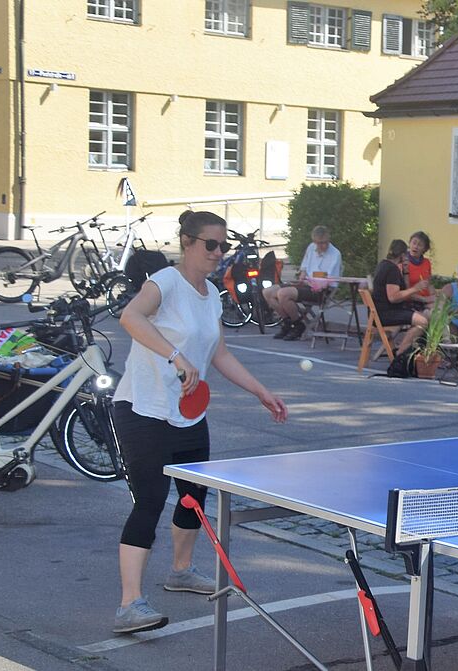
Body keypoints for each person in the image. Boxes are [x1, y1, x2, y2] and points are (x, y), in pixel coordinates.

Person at [112, 210, 288, 634]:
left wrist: (260, 391)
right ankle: (129, 604)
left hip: (188, 413)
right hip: (144, 410)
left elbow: (219, 353)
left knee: (194, 496)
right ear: (188, 242)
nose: (219, 253)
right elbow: (130, 318)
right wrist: (175, 355)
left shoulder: (211, 293)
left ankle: (181, 570)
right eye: (211, 245)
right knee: (151, 501)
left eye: (224, 246)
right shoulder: (166, 283)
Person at [265, 225, 342, 341]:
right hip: (307, 284)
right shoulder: (311, 248)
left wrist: (313, 277)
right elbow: (304, 269)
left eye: (325, 242)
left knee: (283, 294)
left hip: (321, 289)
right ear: (314, 242)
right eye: (319, 243)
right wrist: (300, 279)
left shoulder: (335, 254)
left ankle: (297, 324)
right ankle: (288, 322)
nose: (323, 246)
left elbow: (329, 277)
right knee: (268, 292)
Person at [370, 239, 430, 347]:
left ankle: (408, 349)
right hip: (386, 313)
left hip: (379, 312)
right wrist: (416, 288)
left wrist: (406, 271)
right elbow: (393, 297)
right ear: (402, 255)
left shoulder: (383, 265)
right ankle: (401, 352)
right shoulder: (392, 269)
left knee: (421, 316)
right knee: (423, 321)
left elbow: (404, 290)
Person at [404, 231, 435, 308]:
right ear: (409, 243)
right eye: (414, 243)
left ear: (424, 249)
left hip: (426, 300)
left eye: (420, 245)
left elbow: (429, 284)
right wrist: (425, 299)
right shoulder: (404, 263)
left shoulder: (426, 262)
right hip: (412, 301)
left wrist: (434, 296)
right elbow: (404, 291)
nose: (416, 247)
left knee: (443, 307)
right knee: (434, 312)